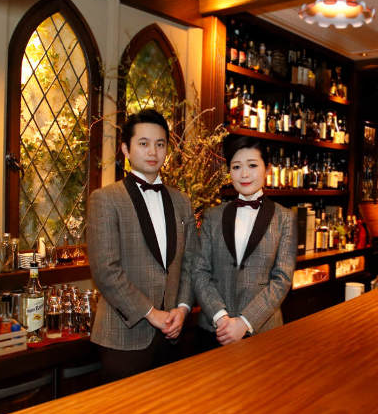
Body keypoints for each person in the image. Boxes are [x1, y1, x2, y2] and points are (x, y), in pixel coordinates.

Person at [87, 108, 197, 382]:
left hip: (172, 334)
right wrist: (151, 313)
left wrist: (182, 308)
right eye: (143, 143)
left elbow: (190, 263)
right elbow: (106, 270)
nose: (153, 152)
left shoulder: (182, 201)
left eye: (160, 144)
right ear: (126, 148)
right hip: (123, 336)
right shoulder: (106, 199)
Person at [193, 135, 297, 350]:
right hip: (214, 331)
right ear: (229, 172)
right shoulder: (212, 216)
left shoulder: (285, 218)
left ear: (267, 169)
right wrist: (221, 317)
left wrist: (244, 322)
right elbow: (199, 271)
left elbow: (282, 279)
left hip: (263, 331)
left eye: (252, 165)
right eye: (236, 167)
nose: (244, 174)